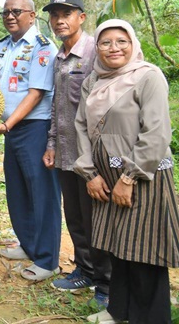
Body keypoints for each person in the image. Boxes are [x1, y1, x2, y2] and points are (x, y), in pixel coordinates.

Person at [75, 20, 179, 324]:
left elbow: (157, 133)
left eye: (121, 41)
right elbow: (81, 126)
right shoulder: (92, 81)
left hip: (144, 176)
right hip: (105, 178)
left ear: (133, 43)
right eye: (105, 42)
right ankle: (119, 311)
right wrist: (89, 173)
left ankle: (151, 318)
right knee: (118, 246)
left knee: (145, 248)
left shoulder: (148, 77)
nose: (114, 48)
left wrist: (129, 177)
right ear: (97, 48)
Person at [0, 0, 60, 281]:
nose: (10, 16)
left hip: (35, 127)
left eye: (16, 11)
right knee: (18, 191)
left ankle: (48, 260)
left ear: (32, 15)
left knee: (42, 193)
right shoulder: (3, 47)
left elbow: (36, 93)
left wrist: (7, 124)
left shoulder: (42, 48)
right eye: (5, 12)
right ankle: (28, 245)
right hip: (10, 128)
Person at [41, 0, 110, 306]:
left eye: (66, 14)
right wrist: (52, 142)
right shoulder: (59, 56)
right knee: (76, 218)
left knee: (98, 220)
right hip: (67, 152)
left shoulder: (96, 50)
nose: (59, 20)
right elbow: (57, 104)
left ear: (82, 17)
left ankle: (106, 285)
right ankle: (84, 270)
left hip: (93, 155)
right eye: (55, 15)